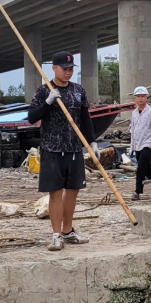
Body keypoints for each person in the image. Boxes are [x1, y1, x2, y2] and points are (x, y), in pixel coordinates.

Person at [27, 51, 96, 251]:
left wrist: (91, 143)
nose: (68, 72)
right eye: (64, 69)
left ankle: (68, 231)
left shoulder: (78, 91)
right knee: (55, 193)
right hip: (52, 149)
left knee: (73, 191)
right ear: (54, 68)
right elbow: (32, 117)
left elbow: (85, 118)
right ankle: (56, 234)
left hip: (74, 148)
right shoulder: (43, 90)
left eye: (70, 69)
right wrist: (48, 102)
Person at [129, 86, 151, 201]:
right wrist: (132, 146)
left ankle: (138, 191)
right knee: (147, 169)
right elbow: (133, 130)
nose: (140, 99)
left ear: (146, 98)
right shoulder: (134, 113)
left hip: (148, 144)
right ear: (135, 98)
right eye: (138, 96)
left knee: (141, 168)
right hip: (138, 144)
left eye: (142, 96)